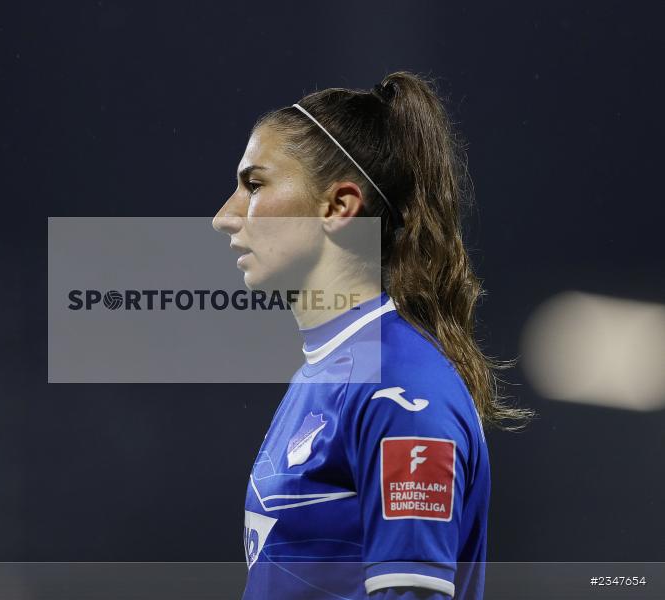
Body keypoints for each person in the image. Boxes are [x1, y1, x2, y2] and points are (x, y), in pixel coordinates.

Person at [212, 72, 530, 599]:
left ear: (339, 207)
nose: (225, 216)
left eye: (254, 184)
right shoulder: (326, 372)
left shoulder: (402, 391)